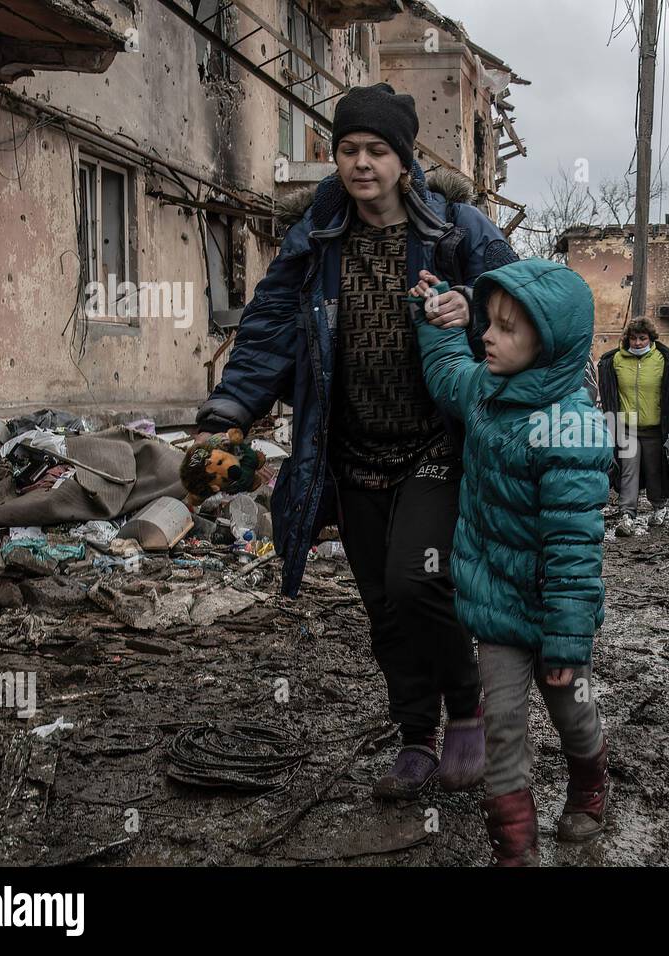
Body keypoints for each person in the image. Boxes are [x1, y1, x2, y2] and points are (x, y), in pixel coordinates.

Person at [193, 83, 518, 801]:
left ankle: (466, 711)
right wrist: (230, 413)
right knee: (381, 600)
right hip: (349, 450)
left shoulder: (458, 232)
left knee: (419, 578)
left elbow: (525, 312)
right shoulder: (316, 240)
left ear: (405, 161)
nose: (361, 163)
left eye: (377, 150)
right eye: (347, 150)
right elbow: (270, 327)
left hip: (439, 444)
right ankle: (414, 738)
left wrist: (473, 315)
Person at [409, 258, 611, 867]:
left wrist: (567, 642)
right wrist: (439, 314)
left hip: (554, 615)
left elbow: (575, 550)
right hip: (497, 606)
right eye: (489, 323)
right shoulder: (487, 391)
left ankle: (589, 781)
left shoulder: (570, 427)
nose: (488, 337)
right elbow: (447, 371)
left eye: (505, 329)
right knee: (503, 728)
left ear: (548, 345)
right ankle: (514, 848)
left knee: (572, 712)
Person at [597, 318, 669, 535]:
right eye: (633, 338)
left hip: (656, 429)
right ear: (627, 339)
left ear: (650, 339)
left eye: (642, 338)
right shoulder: (615, 360)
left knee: (655, 470)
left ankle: (659, 508)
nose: (638, 343)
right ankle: (627, 516)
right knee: (628, 472)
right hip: (627, 429)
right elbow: (607, 388)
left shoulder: (662, 359)